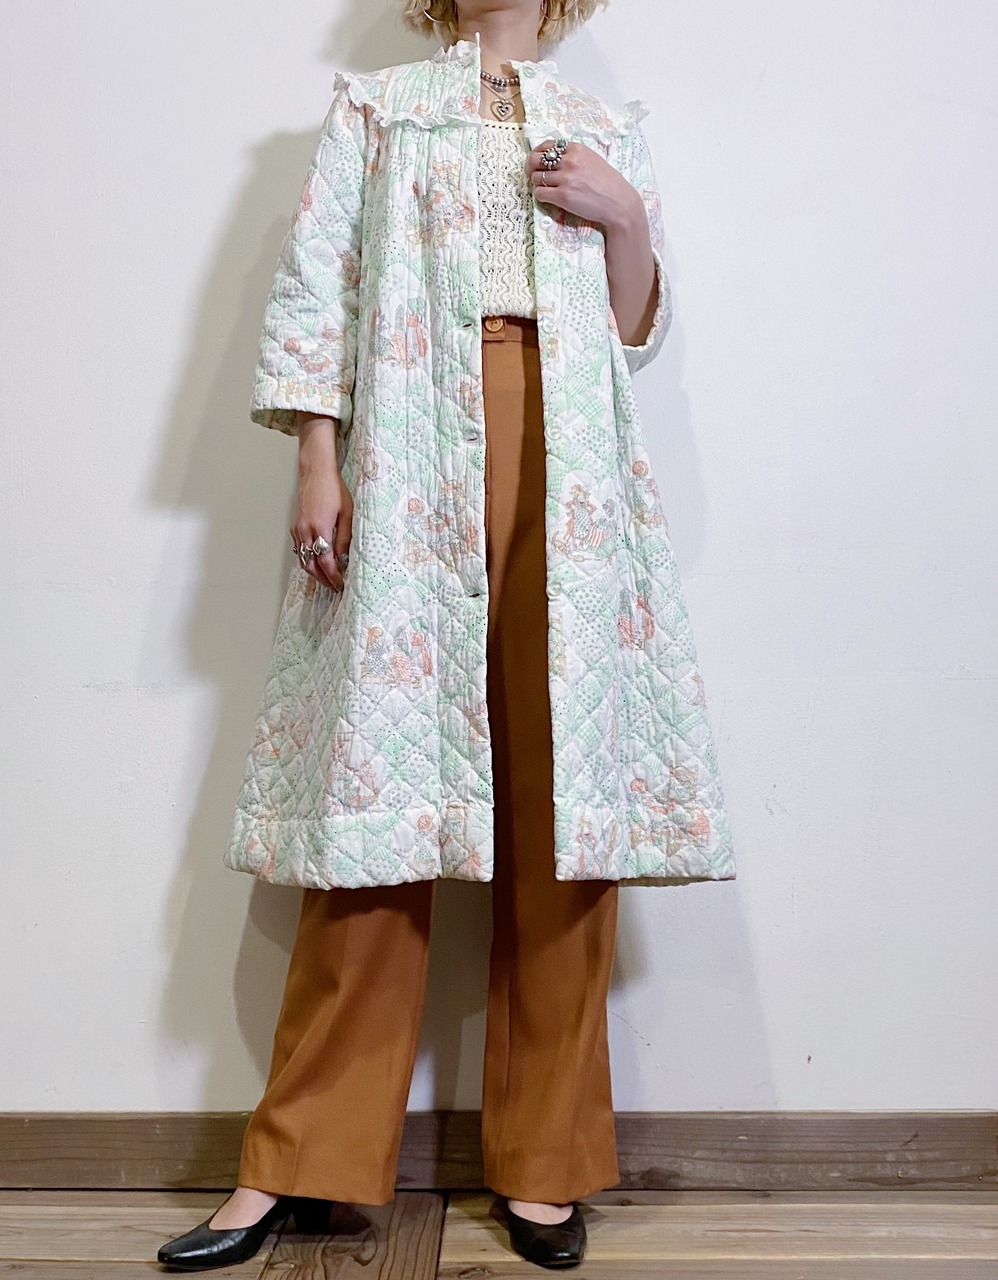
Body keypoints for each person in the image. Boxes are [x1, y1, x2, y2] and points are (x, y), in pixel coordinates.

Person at [159, 0, 736, 1270]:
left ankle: (545, 1163)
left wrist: (623, 215)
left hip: (567, 454)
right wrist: (318, 460)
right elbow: (320, 282)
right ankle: (297, 1158)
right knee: (379, 799)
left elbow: (631, 330)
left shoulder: (597, 124)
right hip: (410, 437)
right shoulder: (377, 107)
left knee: (563, 804)